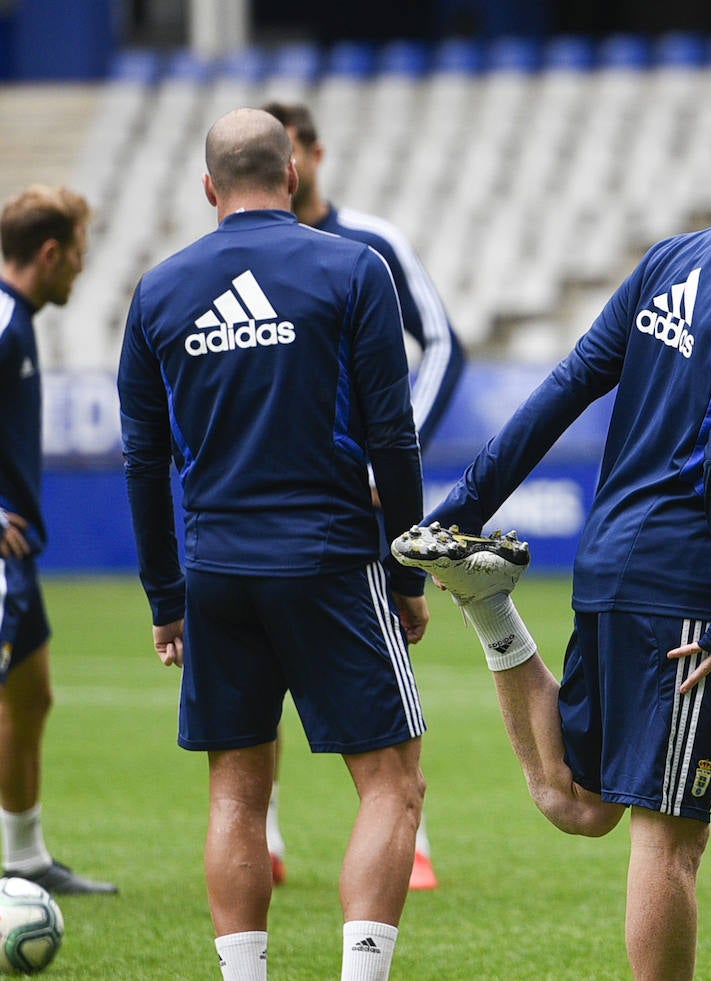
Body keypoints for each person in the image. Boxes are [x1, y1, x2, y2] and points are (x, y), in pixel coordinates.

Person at [392, 100, 711, 980]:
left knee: (576, 801)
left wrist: (460, 504)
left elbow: (568, 383)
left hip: (611, 556)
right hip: (684, 587)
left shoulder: (675, 257)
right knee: (672, 842)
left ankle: (492, 609)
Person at [119, 108, 429, 981]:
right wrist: (404, 569)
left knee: (236, 792)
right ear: (291, 175)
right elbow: (393, 437)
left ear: (209, 189)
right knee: (391, 782)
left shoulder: (159, 289)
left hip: (216, 568)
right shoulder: (351, 269)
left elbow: (144, 458)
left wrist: (165, 598)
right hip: (330, 559)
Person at [260, 99, 464, 892]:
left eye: (294, 148)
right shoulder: (243, 253)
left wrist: (395, 448)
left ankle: (411, 839)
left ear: (314, 151)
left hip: (357, 498)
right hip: (267, 495)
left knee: (387, 663)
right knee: (258, 665)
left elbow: (445, 340)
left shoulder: (370, 242)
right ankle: (268, 834)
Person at [0, 185, 118, 896]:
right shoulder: (4, 319)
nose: (82, 265)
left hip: (20, 555)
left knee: (31, 694)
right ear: (49, 253)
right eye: (78, 252)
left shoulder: (19, 318)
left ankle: (25, 857)